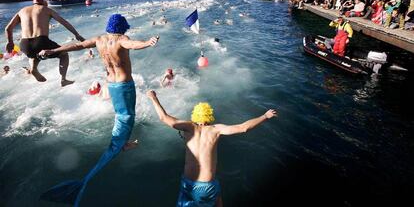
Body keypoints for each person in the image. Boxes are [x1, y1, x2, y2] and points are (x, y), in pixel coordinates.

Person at [38, 14, 158, 206]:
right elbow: (131, 44)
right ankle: (119, 146)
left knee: (121, 115)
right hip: (124, 85)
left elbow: (77, 46)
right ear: (123, 27)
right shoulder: (122, 39)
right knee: (128, 116)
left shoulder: (99, 40)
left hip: (111, 85)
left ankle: (122, 142)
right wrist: (147, 42)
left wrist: (53, 50)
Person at [146, 90, 278, 207]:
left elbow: (164, 117)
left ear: (195, 116)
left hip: (187, 184)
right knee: (217, 198)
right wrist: (265, 116)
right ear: (209, 117)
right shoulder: (216, 129)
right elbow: (243, 128)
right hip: (206, 186)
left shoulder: (187, 127)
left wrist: (153, 98)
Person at [4, 0, 85, 86]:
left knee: (34, 55)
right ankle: (63, 79)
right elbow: (64, 22)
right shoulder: (46, 9)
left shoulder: (22, 11)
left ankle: (34, 69)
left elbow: (8, 28)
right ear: (43, 2)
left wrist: (10, 42)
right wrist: (76, 34)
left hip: (24, 44)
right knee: (64, 54)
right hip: (41, 41)